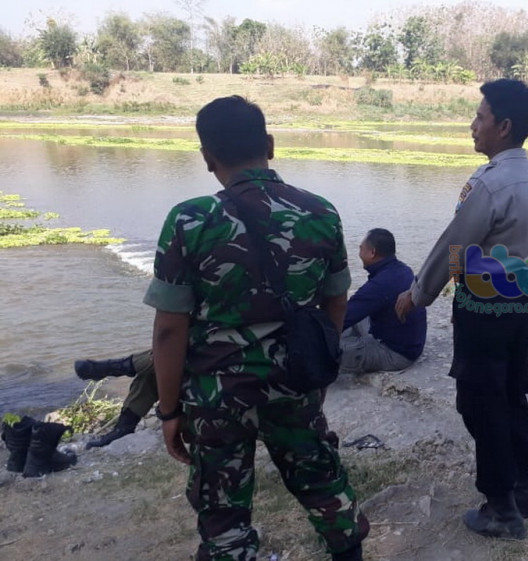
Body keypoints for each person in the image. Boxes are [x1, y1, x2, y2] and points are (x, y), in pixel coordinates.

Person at [143, 95, 368, 560]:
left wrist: (168, 411)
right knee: (322, 482)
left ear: (207, 157)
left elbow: (169, 330)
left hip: (216, 394)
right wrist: (319, 374)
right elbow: (336, 301)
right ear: (269, 144)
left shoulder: (190, 219)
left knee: (222, 509)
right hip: (295, 381)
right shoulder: (321, 212)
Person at [75, 228, 427, 448]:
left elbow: (343, 311)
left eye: (361, 247)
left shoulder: (384, 280)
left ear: (372, 253)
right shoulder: (395, 271)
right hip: (384, 331)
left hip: (392, 347)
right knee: (182, 351)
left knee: (310, 347)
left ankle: (120, 370)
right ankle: (122, 385)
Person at [394, 79, 528, 540]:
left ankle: (501, 508)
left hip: (484, 307)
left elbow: (455, 246)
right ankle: (523, 487)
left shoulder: (488, 183)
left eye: (480, 117)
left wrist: (417, 293)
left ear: (504, 126)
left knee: (481, 402)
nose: (473, 125)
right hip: (522, 300)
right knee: (511, 393)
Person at [340, 228, 427, 374]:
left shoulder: (381, 284)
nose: (359, 253)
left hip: (396, 353)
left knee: (321, 350)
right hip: (409, 342)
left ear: (372, 252)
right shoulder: (402, 269)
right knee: (349, 315)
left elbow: (343, 317)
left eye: (361, 248)